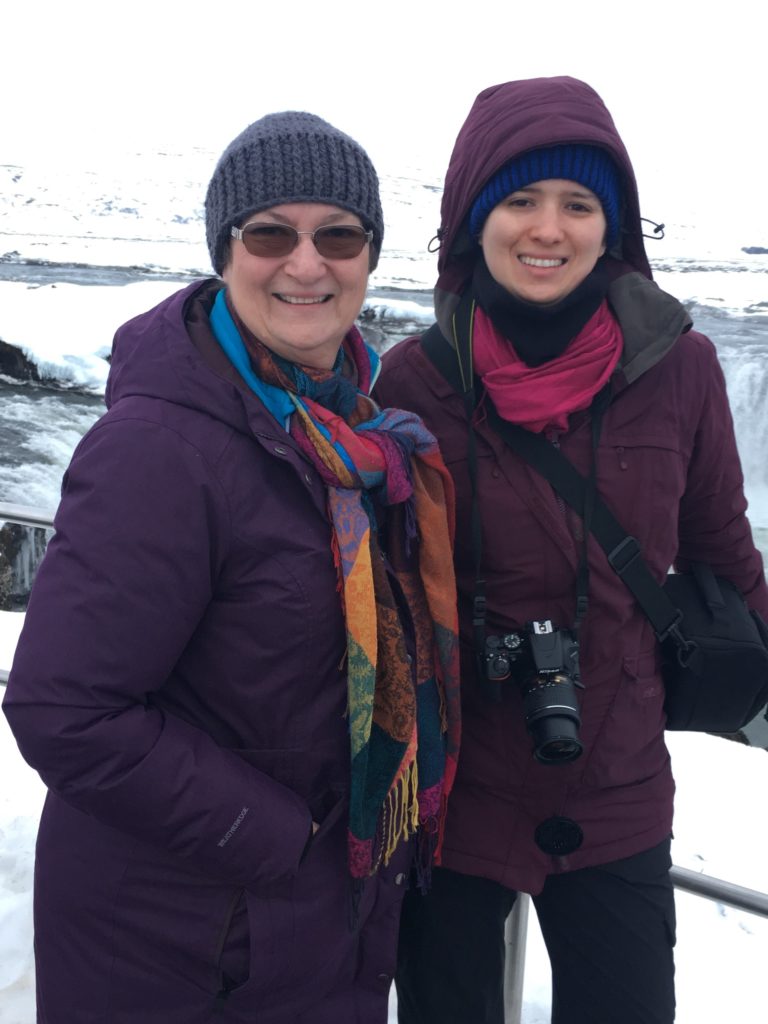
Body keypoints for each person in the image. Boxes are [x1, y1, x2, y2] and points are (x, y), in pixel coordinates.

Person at [3, 111, 461, 1024]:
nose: (305, 263)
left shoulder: (361, 441)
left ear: (369, 257)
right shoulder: (160, 447)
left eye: (338, 235)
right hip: (176, 946)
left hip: (312, 931)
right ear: (224, 251)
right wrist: (282, 839)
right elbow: (64, 708)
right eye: (269, 234)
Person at [374, 77, 768, 1024]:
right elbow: (376, 590)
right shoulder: (413, 381)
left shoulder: (681, 369)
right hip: (455, 786)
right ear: (473, 218)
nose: (548, 229)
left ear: (613, 226)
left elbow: (724, 557)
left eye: (579, 204)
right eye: (520, 200)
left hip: (618, 779)